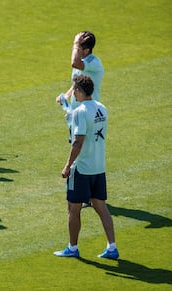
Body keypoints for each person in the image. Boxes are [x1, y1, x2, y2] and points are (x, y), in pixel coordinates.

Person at [53, 75, 119, 260]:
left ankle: (72, 248)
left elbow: (77, 142)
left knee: (73, 209)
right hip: (99, 167)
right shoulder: (102, 108)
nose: (73, 92)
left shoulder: (81, 111)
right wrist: (67, 108)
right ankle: (112, 247)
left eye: (74, 90)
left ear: (80, 91)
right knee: (101, 206)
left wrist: (67, 166)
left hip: (81, 168)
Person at [56, 31, 104, 208]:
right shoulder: (84, 63)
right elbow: (77, 81)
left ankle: (86, 195)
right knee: (79, 148)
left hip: (89, 112)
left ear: (86, 50)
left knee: (81, 149)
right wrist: (66, 96)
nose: (75, 49)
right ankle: (89, 195)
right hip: (77, 112)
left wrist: (75, 43)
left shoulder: (92, 62)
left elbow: (74, 62)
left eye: (78, 47)